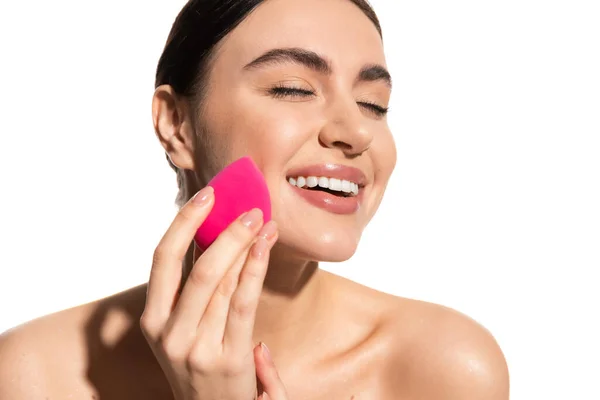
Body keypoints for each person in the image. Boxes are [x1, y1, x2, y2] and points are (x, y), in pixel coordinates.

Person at [0, 0, 509, 398]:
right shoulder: (34, 374)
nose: (356, 131)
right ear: (176, 124)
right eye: (292, 89)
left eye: (373, 103)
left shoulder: (445, 367)